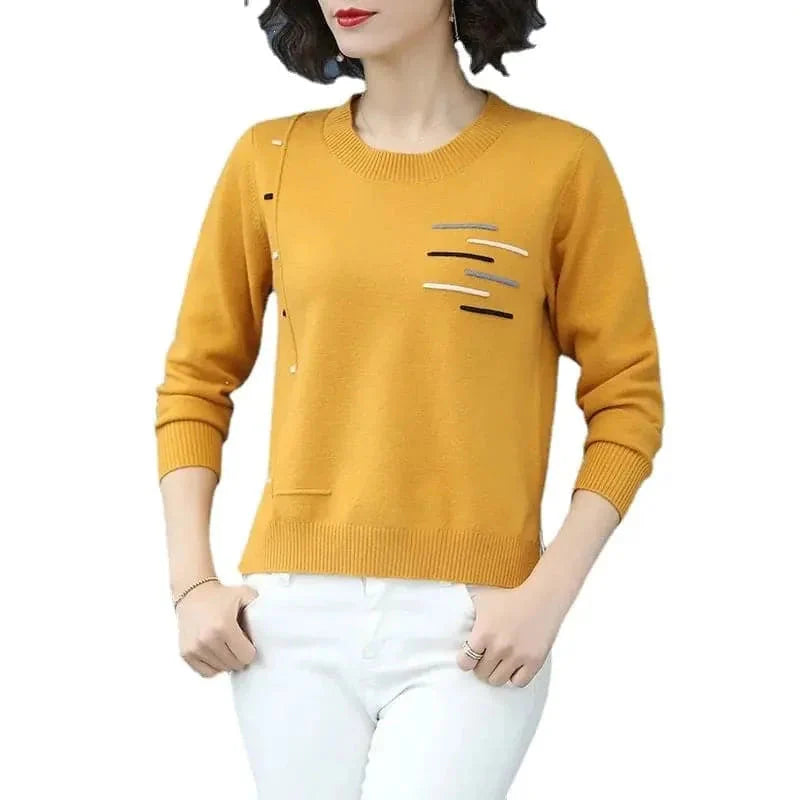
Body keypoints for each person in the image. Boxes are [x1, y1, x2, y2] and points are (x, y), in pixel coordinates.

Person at [154, 1, 664, 797]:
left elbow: (628, 399)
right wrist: (192, 585)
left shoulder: (560, 163)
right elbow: (196, 379)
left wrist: (548, 594)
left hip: (475, 623)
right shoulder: (269, 160)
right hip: (289, 618)